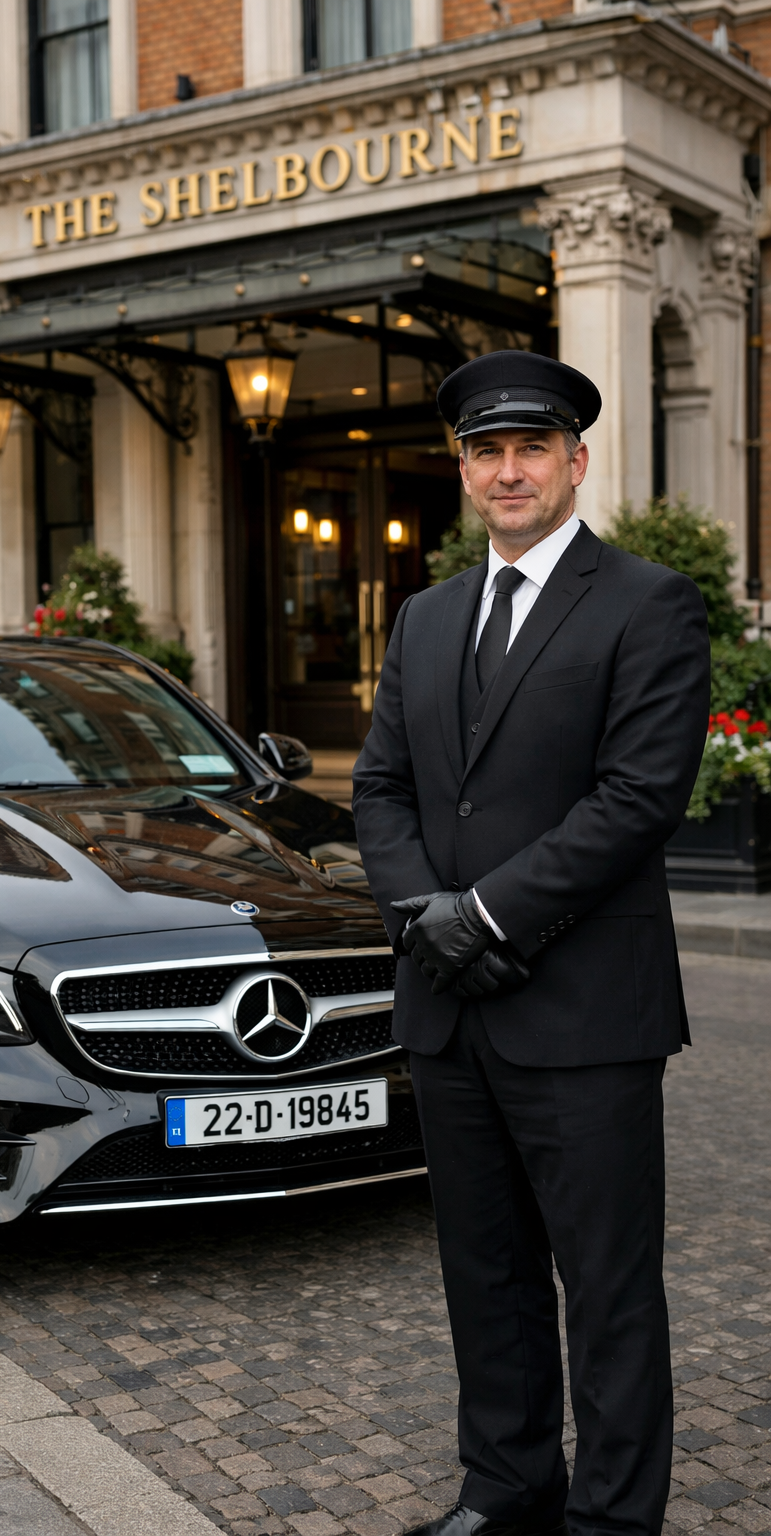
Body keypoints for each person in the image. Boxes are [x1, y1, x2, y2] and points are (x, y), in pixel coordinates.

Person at [351, 351, 710, 1536]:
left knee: (605, 1290)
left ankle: (611, 1521)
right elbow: (384, 792)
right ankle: (504, 1491)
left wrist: (489, 913)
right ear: (461, 470)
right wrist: (427, 920)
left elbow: (636, 797)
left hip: (585, 1012)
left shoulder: (646, 602)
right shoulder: (426, 613)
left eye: (530, 449)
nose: (508, 470)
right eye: (484, 452)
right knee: (484, 1276)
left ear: (574, 461)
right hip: (451, 1008)